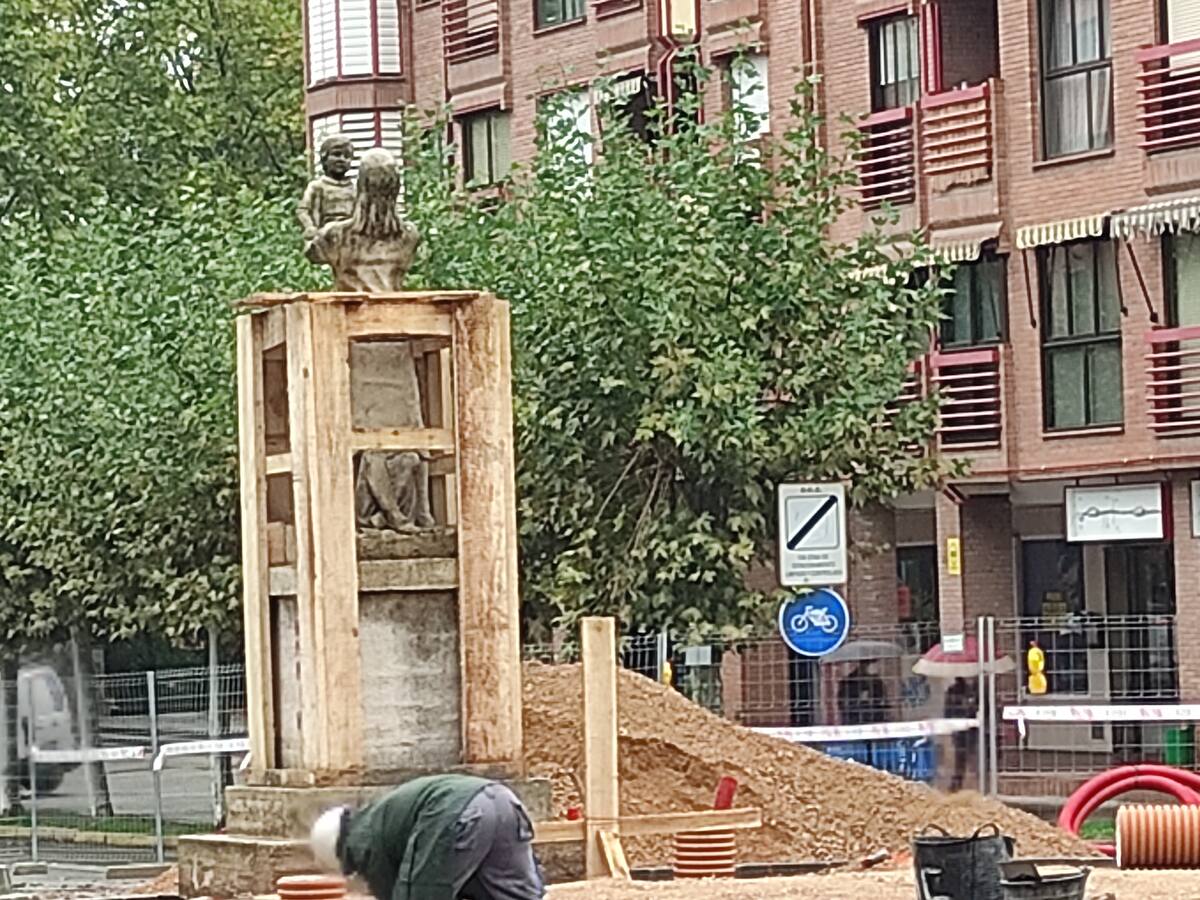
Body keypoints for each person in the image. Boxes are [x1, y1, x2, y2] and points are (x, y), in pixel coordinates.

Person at [309, 774, 546, 900]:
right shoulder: (379, 816)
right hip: (503, 800)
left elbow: (399, 892)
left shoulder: (363, 840)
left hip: (457, 812)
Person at [297, 134, 357, 243]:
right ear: (325, 158)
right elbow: (303, 211)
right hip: (324, 236)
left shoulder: (354, 189)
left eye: (347, 156)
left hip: (349, 238)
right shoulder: (317, 187)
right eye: (337, 154)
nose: (342, 159)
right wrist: (310, 227)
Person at [944, 677, 978, 791]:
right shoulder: (956, 691)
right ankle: (960, 782)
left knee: (962, 757)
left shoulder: (976, 690)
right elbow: (948, 710)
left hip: (967, 727)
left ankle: (963, 781)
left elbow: (947, 710)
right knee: (963, 756)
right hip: (963, 728)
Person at [837, 661, 887, 726]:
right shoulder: (848, 682)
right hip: (855, 718)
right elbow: (842, 703)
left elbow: (881, 698)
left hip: (871, 718)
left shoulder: (876, 681)